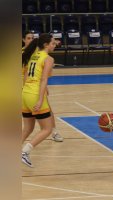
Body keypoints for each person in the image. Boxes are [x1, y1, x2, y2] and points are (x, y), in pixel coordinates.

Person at [22, 33, 58, 167]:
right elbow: (44, 80)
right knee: (47, 129)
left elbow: (25, 75)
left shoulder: (32, 55)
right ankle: (25, 152)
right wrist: (40, 99)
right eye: (53, 43)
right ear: (46, 45)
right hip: (35, 93)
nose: (55, 45)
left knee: (28, 128)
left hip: (25, 92)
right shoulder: (48, 59)